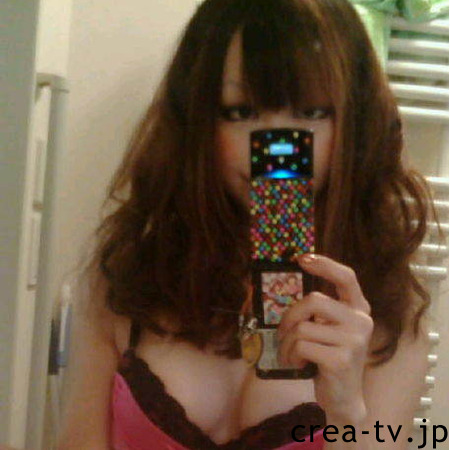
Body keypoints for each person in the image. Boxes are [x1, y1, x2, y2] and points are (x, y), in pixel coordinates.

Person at [55, 0, 439, 449]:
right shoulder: (126, 278)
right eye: (241, 112)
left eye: (311, 112)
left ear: (354, 123)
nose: (275, 149)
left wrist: (346, 414)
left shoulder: (388, 319)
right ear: (197, 118)